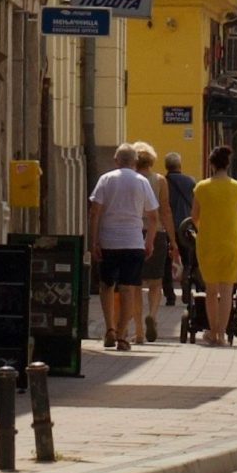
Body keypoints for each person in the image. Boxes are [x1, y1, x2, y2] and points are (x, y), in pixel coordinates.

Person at [86, 142, 159, 351]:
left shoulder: (106, 179)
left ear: (116, 160)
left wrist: (94, 240)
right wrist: (149, 241)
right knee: (128, 288)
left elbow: (94, 212)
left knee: (107, 286)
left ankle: (109, 329)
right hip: (133, 242)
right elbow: (153, 217)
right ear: (135, 162)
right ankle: (122, 336)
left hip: (109, 241)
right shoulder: (141, 182)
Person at [191, 144, 237, 346]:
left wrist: (206, 228)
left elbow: (194, 217)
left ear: (212, 165)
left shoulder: (201, 187)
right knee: (227, 291)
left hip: (207, 242)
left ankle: (212, 331)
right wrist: (234, 229)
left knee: (211, 290)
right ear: (228, 164)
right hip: (231, 242)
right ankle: (222, 334)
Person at [131, 141, 173, 341]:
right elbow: (165, 210)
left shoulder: (131, 180)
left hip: (134, 232)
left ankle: (138, 330)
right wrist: (173, 240)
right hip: (157, 233)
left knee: (135, 283)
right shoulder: (159, 180)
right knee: (156, 282)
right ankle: (152, 316)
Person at [164, 151, 198, 303]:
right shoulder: (190, 182)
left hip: (167, 227)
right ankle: (186, 289)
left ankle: (170, 295)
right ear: (179, 165)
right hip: (186, 227)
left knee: (166, 262)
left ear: (166, 166)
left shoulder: (163, 182)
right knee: (188, 260)